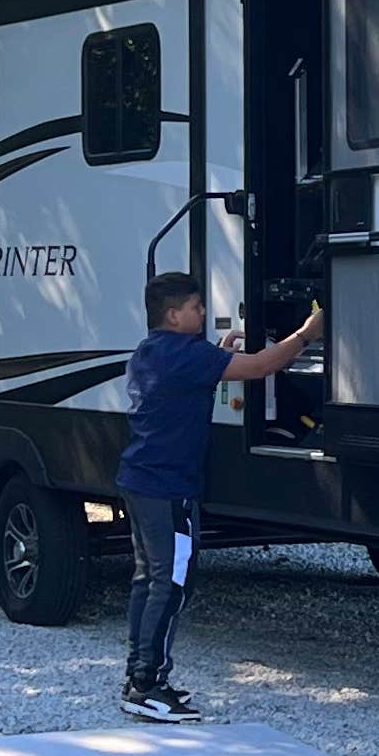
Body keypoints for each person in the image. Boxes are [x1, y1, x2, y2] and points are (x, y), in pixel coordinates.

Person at [117, 269, 321, 716]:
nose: (203, 312)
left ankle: (138, 676)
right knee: (171, 583)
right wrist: (307, 333)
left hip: (140, 481)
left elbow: (194, 377)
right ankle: (148, 686)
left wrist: (217, 356)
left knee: (148, 579)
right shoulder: (189, 355)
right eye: (195, 307)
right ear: (174, 315)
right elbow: (262, 367)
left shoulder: (151, 350)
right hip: (169, 487)